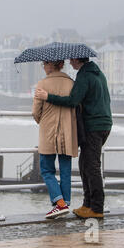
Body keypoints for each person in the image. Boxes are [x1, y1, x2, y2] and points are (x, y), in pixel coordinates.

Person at [35, 57, 113, 219]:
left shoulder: (84, 76)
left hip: (94, 126)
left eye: (72, 60)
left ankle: (96, 208)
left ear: (78, 59)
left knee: (91, 166)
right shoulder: (97, 74)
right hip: (103, 124)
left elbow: (73, 101)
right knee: (84, 164)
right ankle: (86, 204)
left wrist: (47, 96)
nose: (70, 62)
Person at [32, 60, 78, 219]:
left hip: (48, 132)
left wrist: (42, 121)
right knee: (65, 170)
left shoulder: (42, 84)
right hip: (67, 133)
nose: (43, 67)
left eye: (44, 64)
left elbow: (35, 112)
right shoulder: (72, 84)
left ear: (52, 65)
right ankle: (65, 202)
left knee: (46, 169)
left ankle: (59, 203)